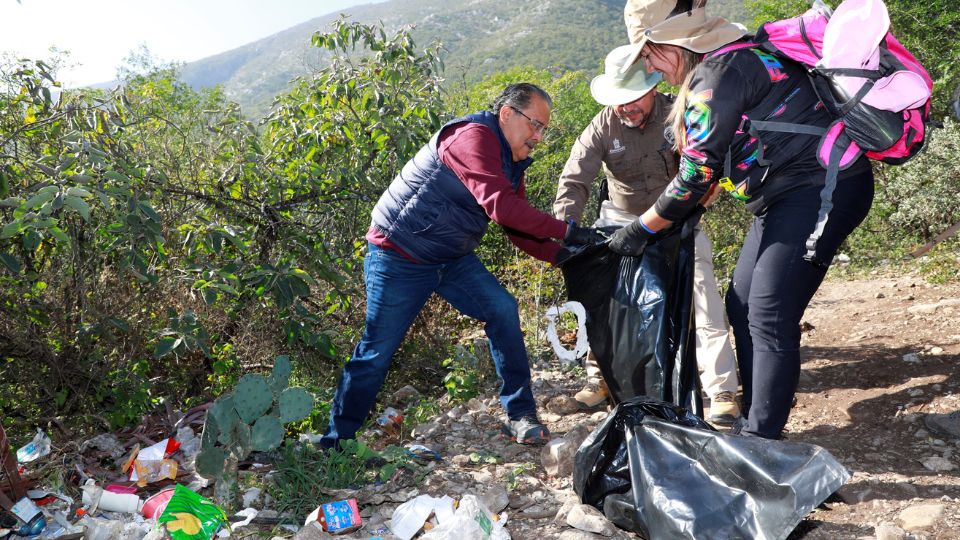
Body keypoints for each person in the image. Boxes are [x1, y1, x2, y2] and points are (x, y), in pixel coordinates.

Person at [607, 0, 875, 440]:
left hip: (822, 188)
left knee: (769, 314)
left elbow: (696, 175)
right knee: (742, 303)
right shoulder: (730, 58)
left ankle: (761, 440)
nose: (652, 67)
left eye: (650, 53)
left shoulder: (717, 75)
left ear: (672, 44)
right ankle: (758, 416)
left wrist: (639, 231)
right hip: (785, 196)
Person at [319, 83, 602, 449]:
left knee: (502, 309)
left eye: (543, 129)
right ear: (507, 114)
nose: (538, 137)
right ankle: (336, 443)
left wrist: (562, 255)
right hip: (398, 254)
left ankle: (520, 415)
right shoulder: (473, 138)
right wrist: (569, 232)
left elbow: (512, 224)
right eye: (535, 124)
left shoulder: (512, 162)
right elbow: (503, 207)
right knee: (376, 353)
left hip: (449, 257)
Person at [553, 44, 740, 424]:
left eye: (633, 98)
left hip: (677, 217)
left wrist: (696, 209)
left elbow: (713, 166)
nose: (627, 107)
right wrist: (567, 231)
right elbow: (574, 182)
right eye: (619, 100)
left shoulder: (681, 112)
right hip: (621, 219)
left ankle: (721, 389)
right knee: (606, 299)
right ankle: (600, 379)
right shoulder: (601, 128)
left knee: (702, 295)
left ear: (652, 87)